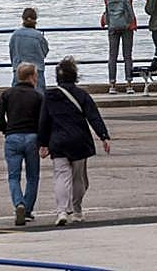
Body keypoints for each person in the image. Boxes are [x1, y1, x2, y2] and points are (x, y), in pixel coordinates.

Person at [37, 57, 111, 226]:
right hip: (79, 140)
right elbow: (93, 117)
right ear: (75, 76)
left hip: (58, 141)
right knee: (79, 178)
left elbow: (44, 121)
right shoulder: (82, 95)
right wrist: (104, 136)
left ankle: (61, 211)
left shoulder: (49, 96)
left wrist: (42, 143)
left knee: (61, 176)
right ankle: (77, 210)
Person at [0, 61, 43, 226]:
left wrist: (5, 130)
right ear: (31, 77)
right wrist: (43, 140)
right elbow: (43, 120)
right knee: (33, 176)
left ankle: (19, 203)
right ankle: (28, 209)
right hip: (32, 137)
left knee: (13, 176)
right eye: (36, 75)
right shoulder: (38, 96)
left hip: (13, 136)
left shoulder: (7, 94)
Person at [97, 0, 137, 94]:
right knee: (128, 55)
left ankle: (112, 85)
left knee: (112, 56)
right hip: (127, 23)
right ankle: (129, 84)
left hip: (112, 23)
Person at [9, 7, 49, 92]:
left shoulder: (15, 35)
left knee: (17, 96)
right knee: (39, 98)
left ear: (23, 19)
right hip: (36, 71)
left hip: (19, 70)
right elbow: (45, 52)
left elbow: (12, 52)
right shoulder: (38, 36)